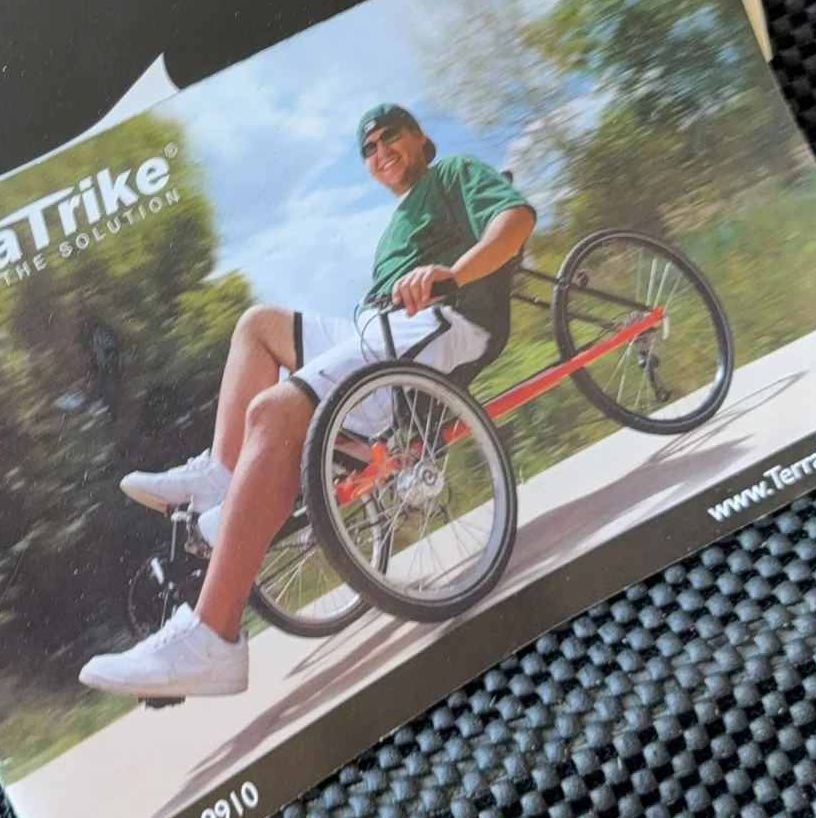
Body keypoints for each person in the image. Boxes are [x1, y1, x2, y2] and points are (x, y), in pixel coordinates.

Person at [78, 106, 536, 702]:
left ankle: (212, 639)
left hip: (442, 321)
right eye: (368, 148)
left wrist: (451, 273)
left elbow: (515, 220)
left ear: (420, 138)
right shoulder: (394, 228)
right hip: (381, 329)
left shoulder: (452, 174)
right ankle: (222, 476)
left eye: (390, 138)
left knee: (272, 412)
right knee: (257, 324)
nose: (381, 152)